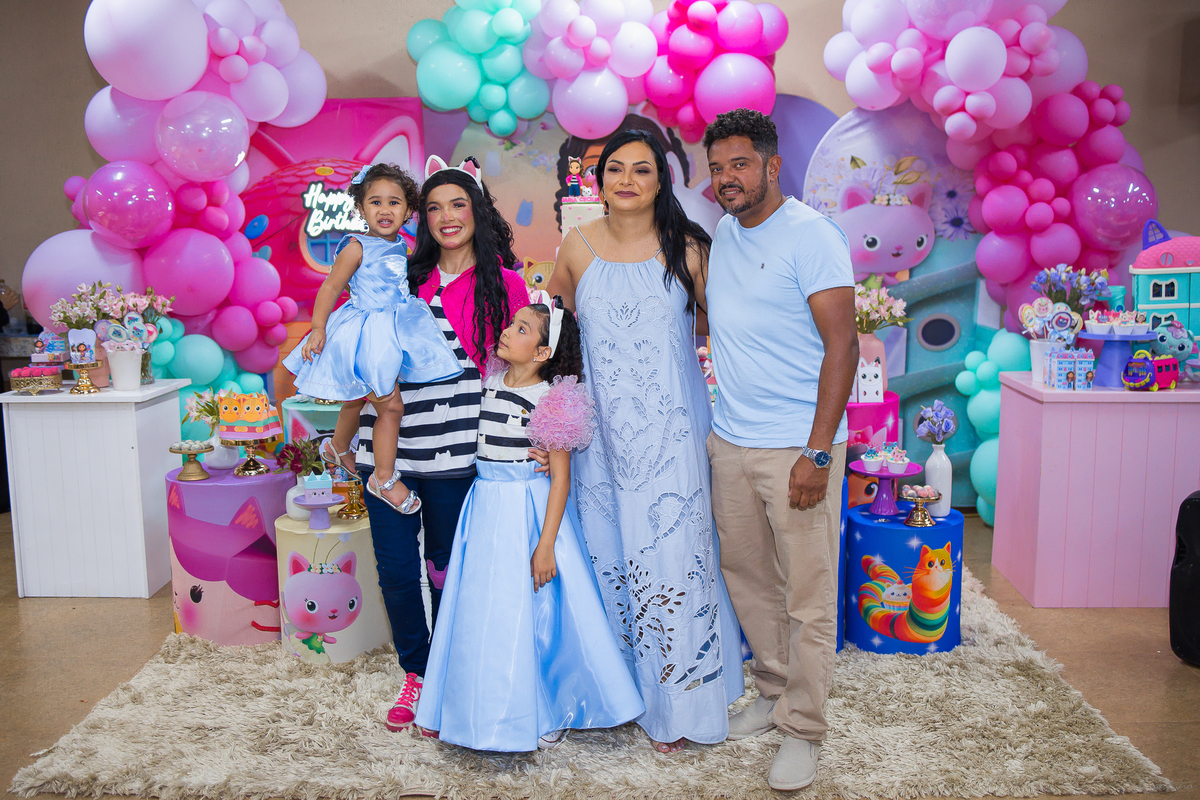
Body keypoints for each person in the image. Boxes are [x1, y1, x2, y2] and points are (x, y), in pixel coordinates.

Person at [546, 129, 743, 753]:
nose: (627, 180)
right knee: (606, 554)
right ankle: (615, 694)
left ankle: (680, 702)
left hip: (673, 436)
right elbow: (557, 338)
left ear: (662, 182)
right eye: (615, 170)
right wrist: (550, 422)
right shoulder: (576, 245)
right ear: (598, 182)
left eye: (641, 170)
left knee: (673, 558)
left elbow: (725, 329)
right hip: (599, 441)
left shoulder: (690, 249)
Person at [702, 108, 858, 791]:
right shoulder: (725, 233)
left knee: (808, 594)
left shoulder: (812, 235)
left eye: (739, 164)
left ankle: (804, 728)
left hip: (798, 445)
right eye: (717, 168)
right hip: (731, 439)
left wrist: (818, 453)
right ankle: (772, 690)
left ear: (772, 165)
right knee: (748, 577)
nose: (727, 179)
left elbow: (843, 346)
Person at [415, 294, 644, 752]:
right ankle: (466, 706)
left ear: (542, 352)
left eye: (522, 329)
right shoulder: (489, 381)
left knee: (535, 610)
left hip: (528, 509)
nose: (507, 330)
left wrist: (545, 545)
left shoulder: (551, 402)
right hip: (485, 506)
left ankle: (548, 707)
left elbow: (560, 479)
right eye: (512, 323)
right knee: (484, 607)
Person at [354, 156, 530, 732]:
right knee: (396, 570)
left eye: (458, 204)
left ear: (477, 211)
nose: (447, 216)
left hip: (459, 451)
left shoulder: (505, 284)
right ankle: (417, 673)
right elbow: (363, 345)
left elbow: (519, 371)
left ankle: (456, 672)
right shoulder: (400, 277)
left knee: (449, 568)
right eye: (433, 207)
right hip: (388, 452)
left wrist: (531, 434)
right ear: (421, 218)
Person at [283, 163, 463, 514]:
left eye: (394, 202)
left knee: (358, 397)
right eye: (375, 202)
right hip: (366, 333)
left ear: (408, 211)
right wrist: (318, 327)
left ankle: (336, 447)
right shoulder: (356, 246)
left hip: (390, 330)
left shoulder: (400, 245)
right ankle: (383, 477)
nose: (384, 210)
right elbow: (330, 287)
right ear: (360, 208)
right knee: (391, 407)